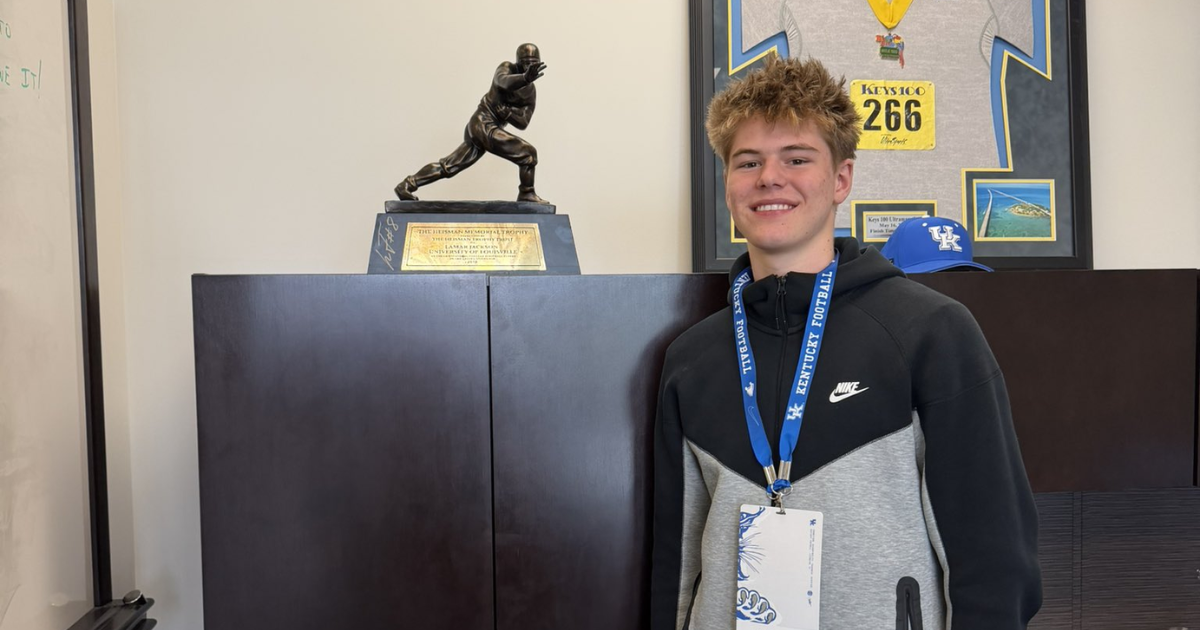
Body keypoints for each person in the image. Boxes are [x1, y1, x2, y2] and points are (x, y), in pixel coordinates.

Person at [651, 56, 1041, 629]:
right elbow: (675, 569)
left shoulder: (931, 331)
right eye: (748, 161)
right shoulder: (691, 359)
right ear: (729, 185)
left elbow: (995, 560)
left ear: (841, 179)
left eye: (797, 158)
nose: (769, 178)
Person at [395, 43, 549, 204]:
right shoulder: (507, 68)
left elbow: (523, 122)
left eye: (533, 63)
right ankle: (526, 192)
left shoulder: (530, 91)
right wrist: (524, 78)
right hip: (482, 123)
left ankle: (407, 184)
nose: (529, 67)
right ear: (517, 62)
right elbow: (502, 81)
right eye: (526, 62)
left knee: (450, 166)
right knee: (528, 154)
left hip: (485, 128)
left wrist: (508, 114)